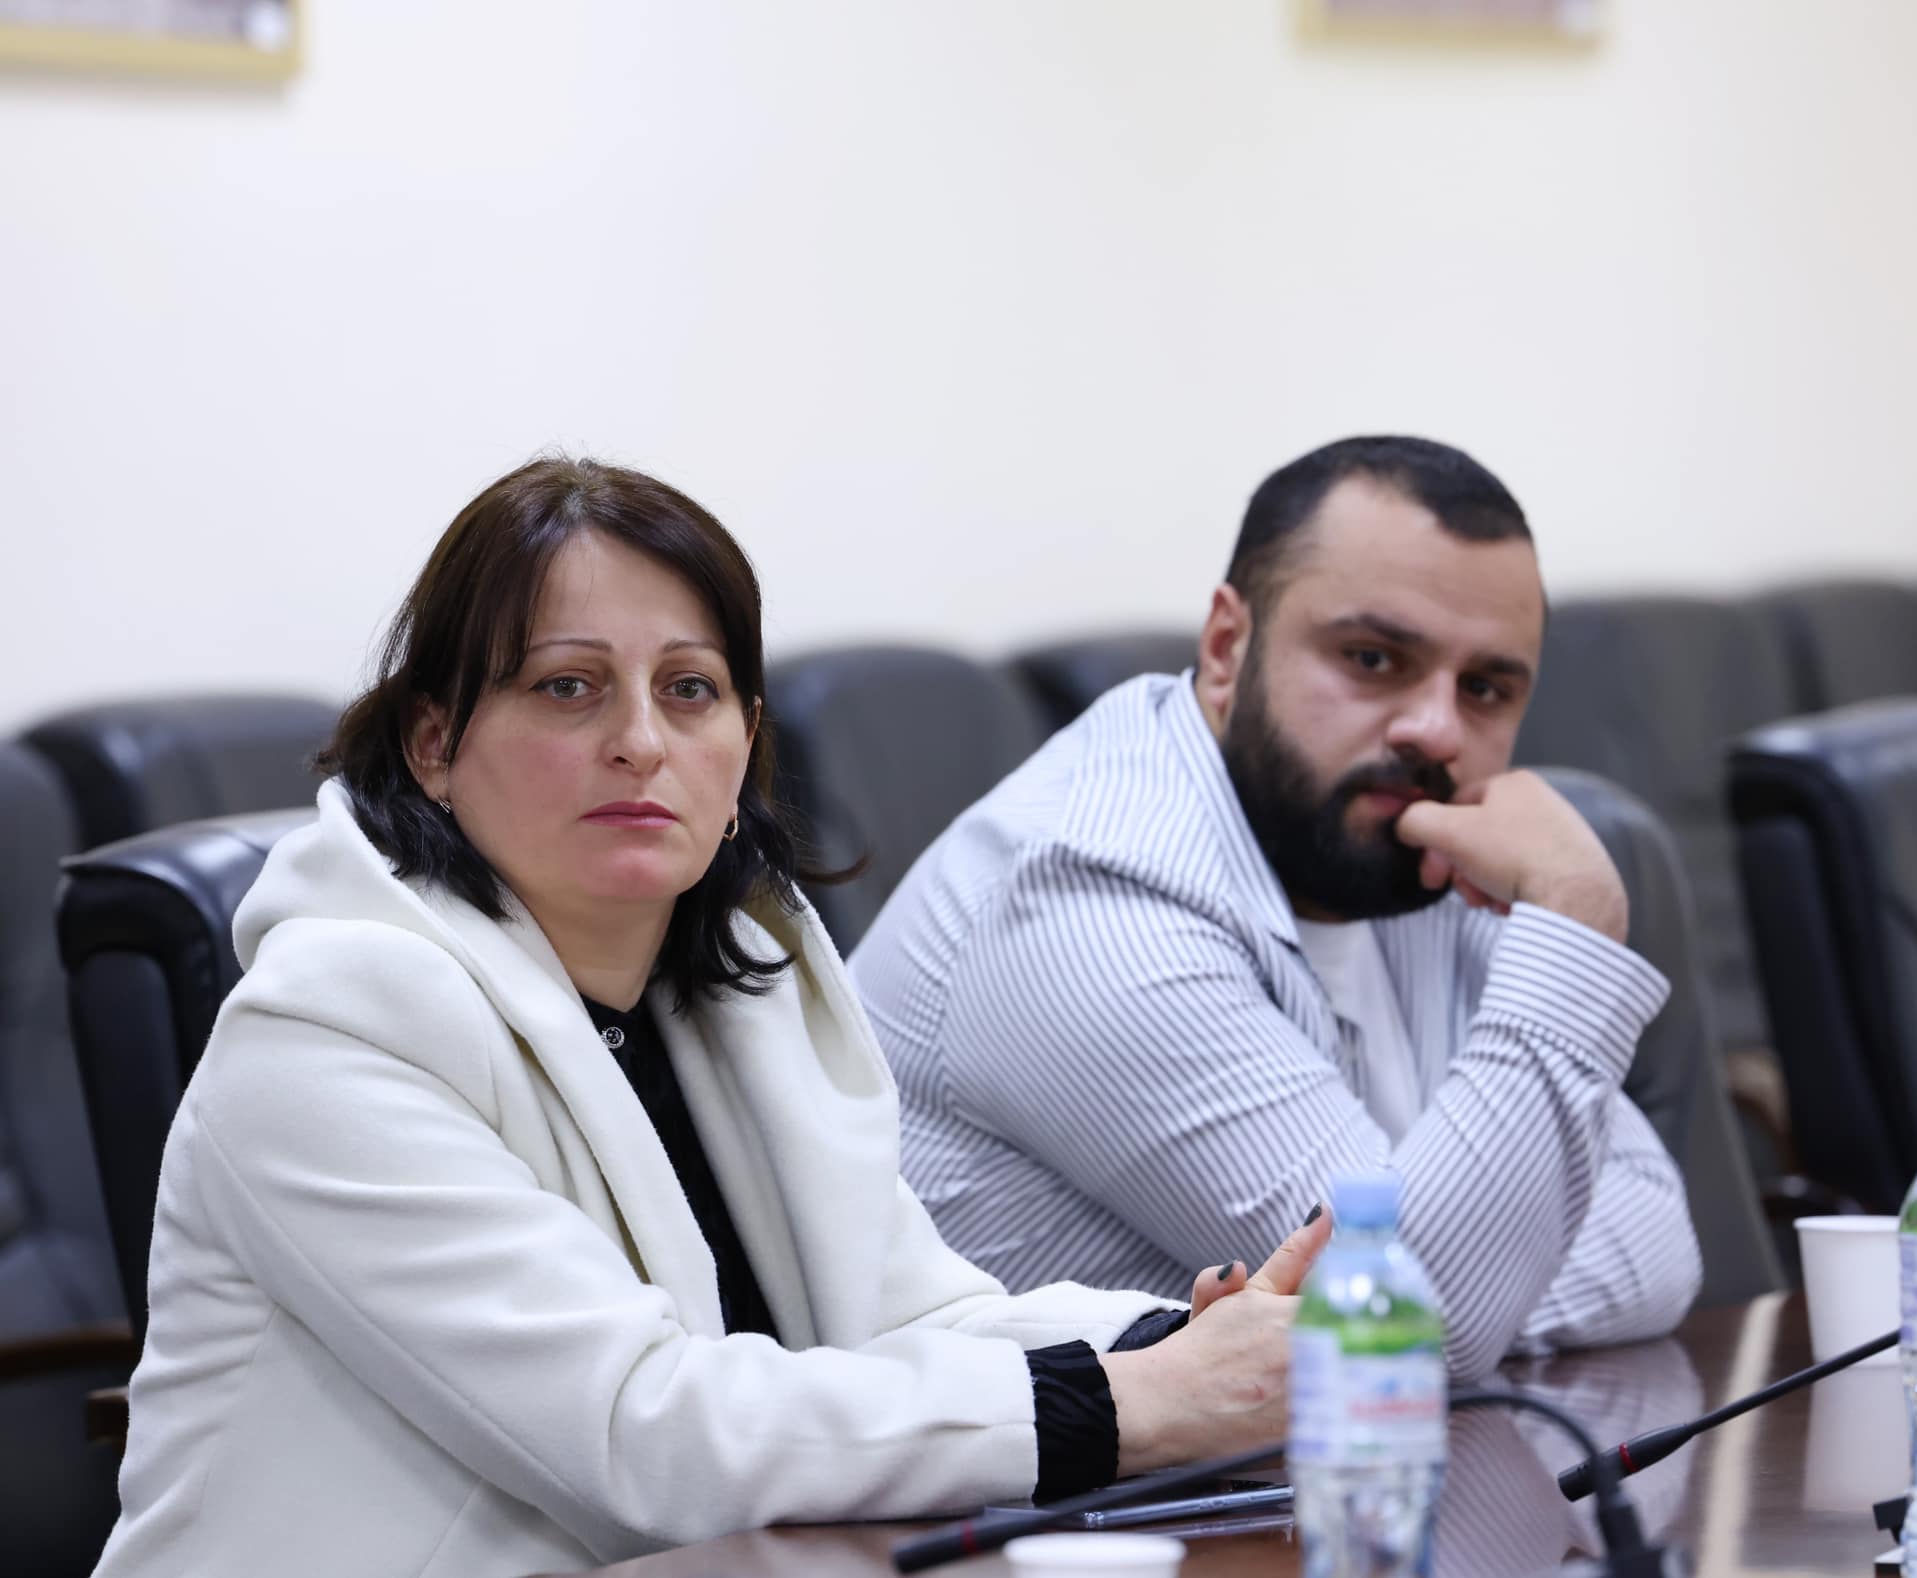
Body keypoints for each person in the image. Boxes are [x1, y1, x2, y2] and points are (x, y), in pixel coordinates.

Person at [92, 459, 1323, 1578]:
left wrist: (1185, 1340)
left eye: (689, 689)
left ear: (743, 744)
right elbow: (640, 1432)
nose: (640, 742)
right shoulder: (326, 1029)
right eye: (567, 688)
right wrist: (1139, 1404)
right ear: (433, 742)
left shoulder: (740, 985)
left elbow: (906, 1320)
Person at [850, 435, 1704, 1382]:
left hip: (1313, 1455)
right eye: (1373, 658)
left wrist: (1458, 1270)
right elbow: (1408, 1319)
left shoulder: (1409, 844)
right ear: (1227, 647)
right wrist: (1574, 916)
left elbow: (1659, 1235)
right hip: (1008, 1480)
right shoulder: (1082, 892)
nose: (1437, 731)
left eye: (1486, 688)